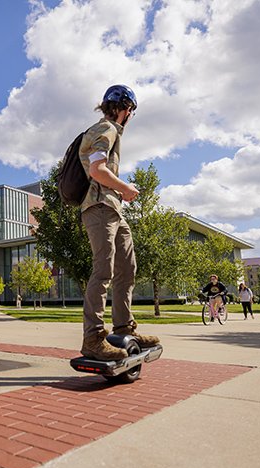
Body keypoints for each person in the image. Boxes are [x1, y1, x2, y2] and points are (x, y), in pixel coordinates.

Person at [79, 84, 160, 361]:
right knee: (103, 271)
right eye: (131, 111)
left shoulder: (111, 131)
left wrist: (120, 194)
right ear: (125, 108)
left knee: (127, 267)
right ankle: (93, 338)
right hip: (99, 208)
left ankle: (125, 326)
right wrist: (125, 188)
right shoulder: (106, 129)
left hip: (113, 209)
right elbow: (97, 170)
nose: (130, 116)